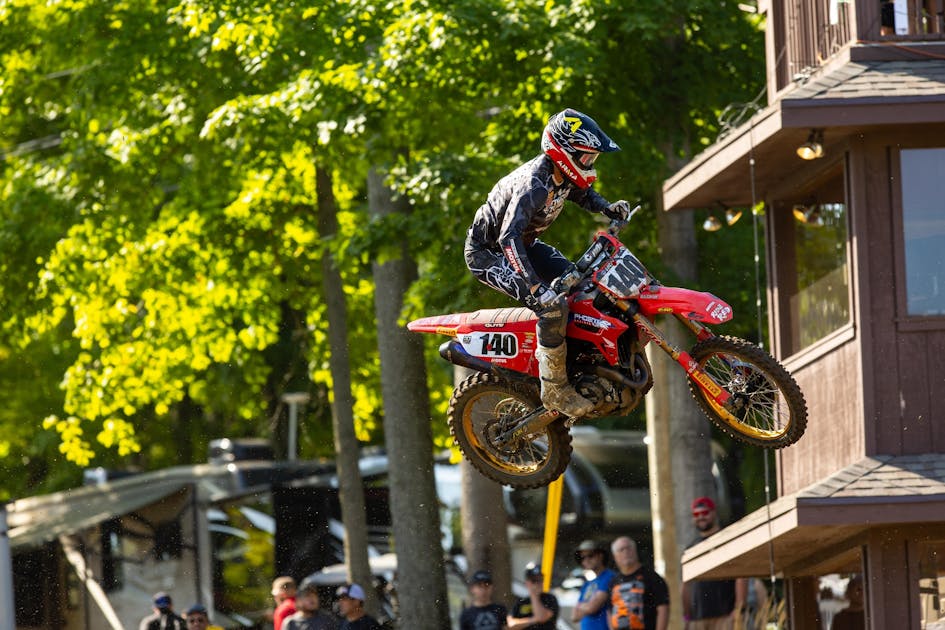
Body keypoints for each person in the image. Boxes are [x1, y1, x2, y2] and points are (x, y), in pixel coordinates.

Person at [465, 108, 632, 417]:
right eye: (586, 157)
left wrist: (607, 208)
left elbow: (581, 194)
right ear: (563, 151)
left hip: (525, 245)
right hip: (489, 253)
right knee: (551, 305)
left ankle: (578, 364)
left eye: (593, 158)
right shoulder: (534, 185)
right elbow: (507, 238)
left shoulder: (563, 174)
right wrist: (533, 285)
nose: (590, 164)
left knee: (582, 286)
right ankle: (555, 389)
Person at [682, 497, 747, 630]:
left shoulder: (727, 540)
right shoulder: (691, 549)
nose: (701, 517)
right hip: (697, 620)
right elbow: (685, 584)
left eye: (705, 512)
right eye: (696, 514)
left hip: (725, 617)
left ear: (714, 513)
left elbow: (741, 576)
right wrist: (687, 617)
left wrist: (738, 609)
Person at [609, 537, 669, 630]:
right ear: (615, 556)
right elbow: (610, 611)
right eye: (621, 550)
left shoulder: (651, 577)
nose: (626, 552)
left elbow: (663, 608)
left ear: (635, 550)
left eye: (628, 548)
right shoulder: (613, 581)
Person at [571, 539, 615, 630]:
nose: (586, 560)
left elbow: (592, 608)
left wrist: (582, 606)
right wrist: (587, 606)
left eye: (590, 555)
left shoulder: (610, 576)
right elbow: (574, 616)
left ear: (601, 556)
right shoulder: (587, 584)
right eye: (582, 557)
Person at [507, 563, 559, 629]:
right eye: (534, 580)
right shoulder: (521, 602)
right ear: (527, 583)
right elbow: (510, 624)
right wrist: (533, 620)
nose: (538, 583)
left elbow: (541, 617)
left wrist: (534, 595)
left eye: (540, 580)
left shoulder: (550, 598)